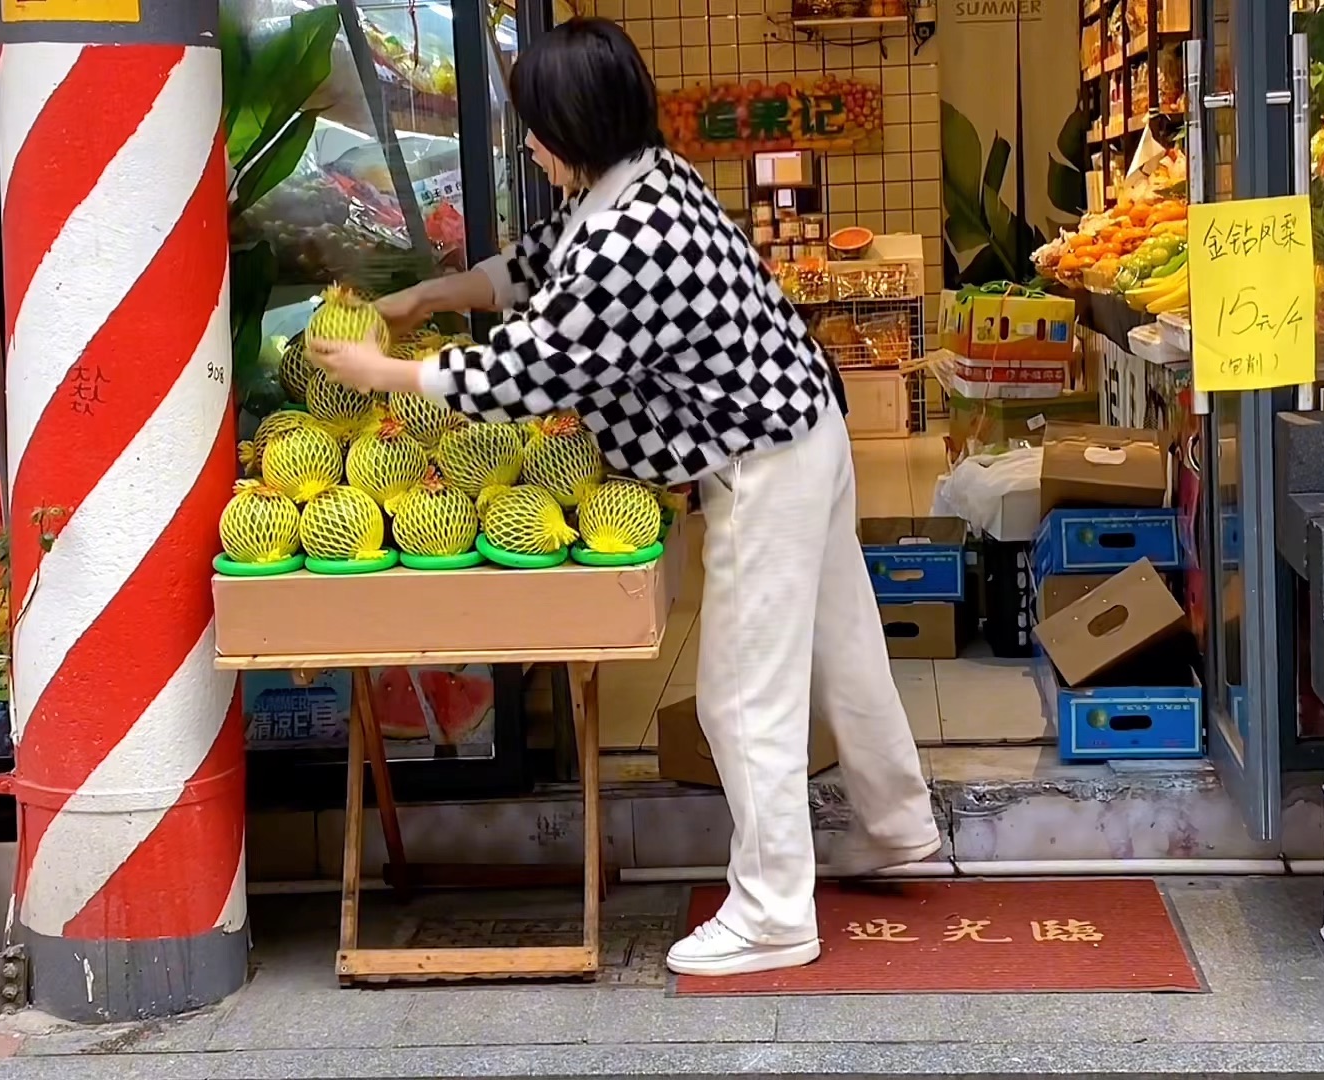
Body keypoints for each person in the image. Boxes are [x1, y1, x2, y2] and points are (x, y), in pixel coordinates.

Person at [306, 17, 940, 978]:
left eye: (533, 124)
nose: (525, 142)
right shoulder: (636, 181)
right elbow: (538, 265)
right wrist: (433, 297)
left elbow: (537, 364)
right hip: (800, 428)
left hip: (760, 460)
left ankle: (774, 912)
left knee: (739, 696)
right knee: (842, 649)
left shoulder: (634, 237)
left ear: (574, 124)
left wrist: (384, 372)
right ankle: (899, 831)